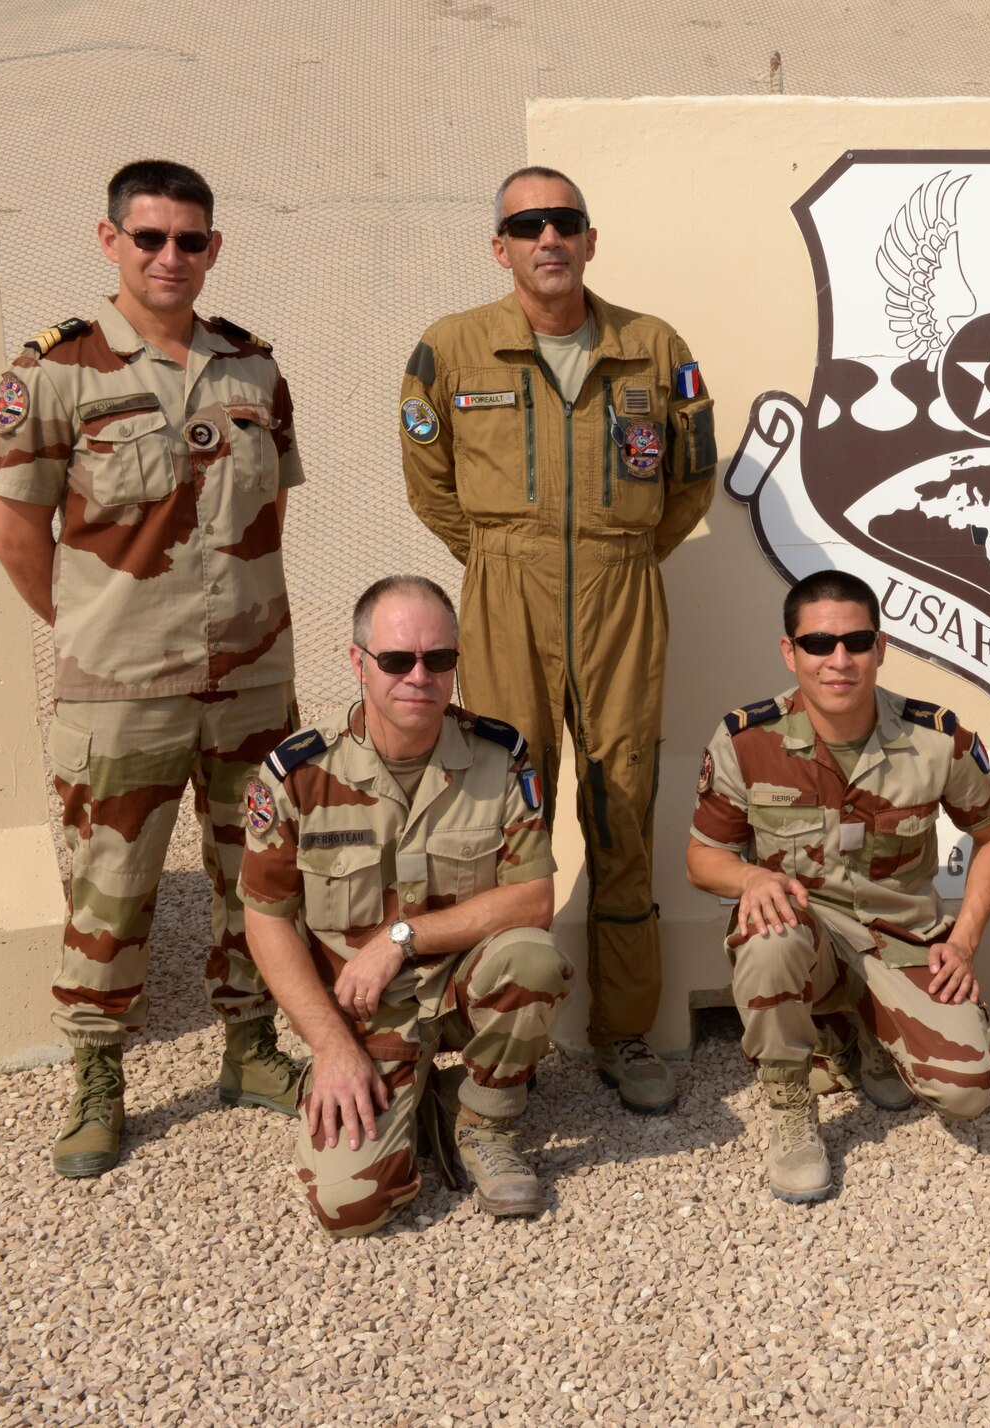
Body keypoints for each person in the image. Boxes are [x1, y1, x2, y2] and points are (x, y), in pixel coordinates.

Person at [0, 160, 305, 1177]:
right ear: (110, 240)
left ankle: (252, 1050)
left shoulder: (253, 369)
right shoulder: (56, 372)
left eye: (191, 240)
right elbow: (14, 536)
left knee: (257, 874)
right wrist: (93, 626)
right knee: (113, 887)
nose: (171, 257)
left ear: (214, 247)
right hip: (119, 688)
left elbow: (269, 515)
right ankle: (97, 1075)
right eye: (150, 238)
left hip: (252, 679)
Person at [400, 166, 717, 1115]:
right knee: (505, 811)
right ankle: (509, 1038)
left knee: (623, 805)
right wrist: (503, 559)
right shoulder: (452, 349)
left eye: (565, 221)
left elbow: (689, 482)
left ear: (589, 238)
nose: (548, 238)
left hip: (623, 588)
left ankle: (624, 1032)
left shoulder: (651, 348)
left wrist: (621, 555)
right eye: (527, 224)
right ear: (499, 245)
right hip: (503, 592)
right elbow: (430, 483)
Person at [240, 577, 570, 1236]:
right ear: (358, 662)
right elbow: (266, 920)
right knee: (351, 1210)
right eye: (396, 660)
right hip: (364, 1012)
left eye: (438, 660)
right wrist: (331, 1047)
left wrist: (401, 937)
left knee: (533, 957)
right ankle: (418, 1099)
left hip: (457, 990)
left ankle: (483, 1123)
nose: (419, 676)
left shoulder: (499, 758)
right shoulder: (300, 776)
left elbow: (533, 900)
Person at [685, 571, 990, 1202]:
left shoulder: (934, 740)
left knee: (968, 1089)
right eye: (818, 644)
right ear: (790, 652)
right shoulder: (747, 741)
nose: (839, 660)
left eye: (856, 642)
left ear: (880, 647)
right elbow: (703, 858)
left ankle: (859, 1036)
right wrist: (753, 875)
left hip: (902, 941)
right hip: (806, 935)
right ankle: (789, 1106)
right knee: (767, 934)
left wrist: (965, 939)